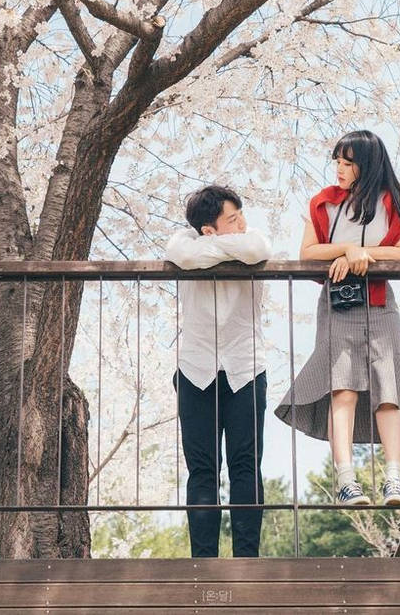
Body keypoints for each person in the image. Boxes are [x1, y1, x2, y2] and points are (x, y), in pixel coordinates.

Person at [275, 130, 400, 507]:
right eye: (337, 161)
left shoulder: (392, 202)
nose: (339, 169)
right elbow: (308, 252)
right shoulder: (324, 203)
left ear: (366, 164)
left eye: (348, 162)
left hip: (379, 304)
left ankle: (393, 479)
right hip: (339, 304)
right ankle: (346, 481)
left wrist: (364, 256)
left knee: (389, 389)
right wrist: (347, 249)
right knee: (343, 390)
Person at [166, 185, 272, 557]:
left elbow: (257, 250)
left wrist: (211, 248)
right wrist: (224, 249)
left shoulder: (252, 238)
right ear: (207, 228)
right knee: (202, 469)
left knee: (245, 465)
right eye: (232, 218)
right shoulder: (183, 241)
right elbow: (179, 253)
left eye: (241, 214)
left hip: (245, 367)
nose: (242, 223)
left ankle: (247, 559)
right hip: (196, 369)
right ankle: (203, 561)